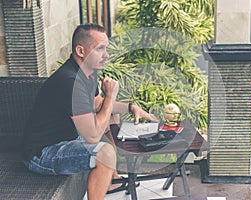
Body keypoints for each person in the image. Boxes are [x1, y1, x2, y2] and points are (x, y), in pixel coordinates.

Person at [22, 23, 159, 200]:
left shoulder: (87, 72)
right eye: (100, 48)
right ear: (81, 51)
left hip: (67, 137)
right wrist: (110, 96)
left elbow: (97, 104)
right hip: (43, 154)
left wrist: (131, 107)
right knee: (106, 154)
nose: (106, 54)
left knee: (110, 114)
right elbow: (93, 136)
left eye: (106, 48)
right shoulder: (70, 82)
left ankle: (112, 179)